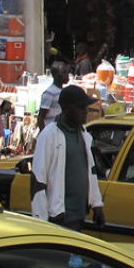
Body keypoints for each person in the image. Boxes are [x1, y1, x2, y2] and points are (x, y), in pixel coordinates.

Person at [30, 85, 106, 232]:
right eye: (80, 108)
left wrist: (97, 205)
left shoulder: (84, 135)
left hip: (79, 214)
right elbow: (38, 180)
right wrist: (40, 222)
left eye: (86, 108)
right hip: (59, 216)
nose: (86, 112)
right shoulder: (50, 136)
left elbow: (91, 173)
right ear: (67, 108)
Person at [37, 61, 70, 131]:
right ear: (56, 75)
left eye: (67, 72)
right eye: (64, 72)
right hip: (51, 132)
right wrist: (44, 134)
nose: (67, 75)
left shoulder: (64, 91)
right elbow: (41, 117)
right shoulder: (50, 93)